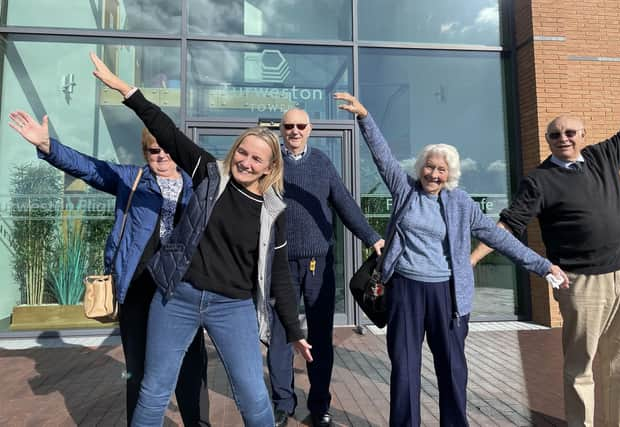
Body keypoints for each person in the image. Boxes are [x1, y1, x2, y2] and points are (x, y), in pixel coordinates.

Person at [89, 52, 313, 427]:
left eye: (257, 159)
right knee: (154, 390)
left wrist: (293, 330)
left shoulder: (274, 211)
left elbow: (280, 278)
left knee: (254, 397)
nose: (246, 161)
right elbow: (167, 131)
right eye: (242, 152)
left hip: (234, 307)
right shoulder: (210, 175)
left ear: (270, 166)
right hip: (178, 297)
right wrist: (126, 91)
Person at [334, 92, 569, 427]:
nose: (433, 173)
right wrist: (365, 118)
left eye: (441, 169)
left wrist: (543, 266)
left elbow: (500, 238)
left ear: (451, 174)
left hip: (447, 294)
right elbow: (383, 158)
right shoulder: (405, 191)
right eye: (429, 166)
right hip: (405, 290)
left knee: (452, 368)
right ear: (420, 168)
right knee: (404, 366)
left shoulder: (462, 204)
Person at [8, 112, 209, 426]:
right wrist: (48, 145)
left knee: (191, 366)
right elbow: (89, 168)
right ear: (146, 153)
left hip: (183, 288)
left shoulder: (198, 187)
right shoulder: (132, 179)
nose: (162, 156)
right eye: (154, 150)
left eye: (167, 149)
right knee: (138, 370)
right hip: (139, 287)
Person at [470, 114, 620, 426]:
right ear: (548, 140)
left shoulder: (604, 155)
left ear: (583, 134)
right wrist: (472, 260)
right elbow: (508, 225)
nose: (563, 138)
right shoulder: (540, 181)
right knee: (581, 366)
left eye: (570, 132)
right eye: (555, 134)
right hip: (582, 283)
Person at [267, 107, 384, 427]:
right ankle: (281, 403)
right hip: (280, 263)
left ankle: (320, 406)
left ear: (310, 129)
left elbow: (345, 203)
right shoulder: (270, 163)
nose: (294, 131)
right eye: (288, 126)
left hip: (319, 263)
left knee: (319, 336)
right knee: (281, 333)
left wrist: (372, 237)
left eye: (300, 126)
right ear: (281, 129)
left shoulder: (321, 163)